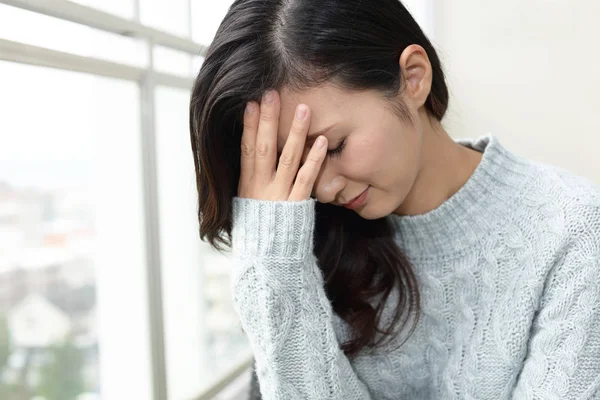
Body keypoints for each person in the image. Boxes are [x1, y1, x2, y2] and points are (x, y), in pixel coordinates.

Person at [188, 0, 600, 398]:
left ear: (414, 78)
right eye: (296, 166)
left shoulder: (574, 232)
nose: (323, 189)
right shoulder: (291, 247)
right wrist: (273, 265)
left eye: (332, 147)